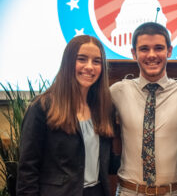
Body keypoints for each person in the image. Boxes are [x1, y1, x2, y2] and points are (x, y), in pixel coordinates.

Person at [110, 22, 177, 196]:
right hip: (128, 191)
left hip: (174, 192)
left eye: (159, 48)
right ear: (134, 53)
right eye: (144, 49)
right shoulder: (118, 91)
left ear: (169, 51)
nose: (152, 55)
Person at [16, 35, 116, 196]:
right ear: (68, 62)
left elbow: (108, 162)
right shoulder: (42, 107)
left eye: (96, 61)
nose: (90, 67)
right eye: (82, 59)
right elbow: (28, 170)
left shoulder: (105, 109)